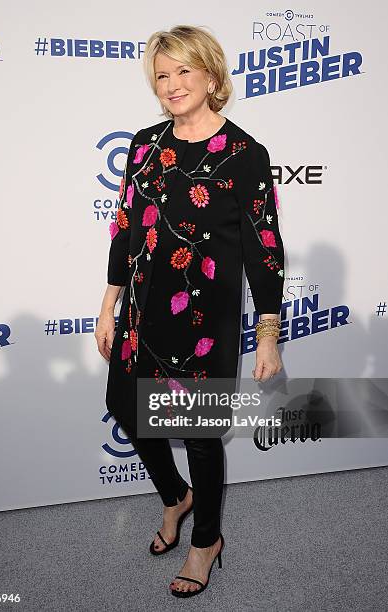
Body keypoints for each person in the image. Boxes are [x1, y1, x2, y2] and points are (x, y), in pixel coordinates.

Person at [95, 24, 285, 598]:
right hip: (141, 312)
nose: (173, 84)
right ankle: (176, 497)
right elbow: (126, 229)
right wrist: (107, 305)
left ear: (210, 74)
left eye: (184, 71)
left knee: (199, 434)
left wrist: (269, 334)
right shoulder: (145, 146)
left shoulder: (245, 154)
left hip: (204, 319)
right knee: (125, 407)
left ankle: (207, 540)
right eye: (162, 74)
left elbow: (265, 248)